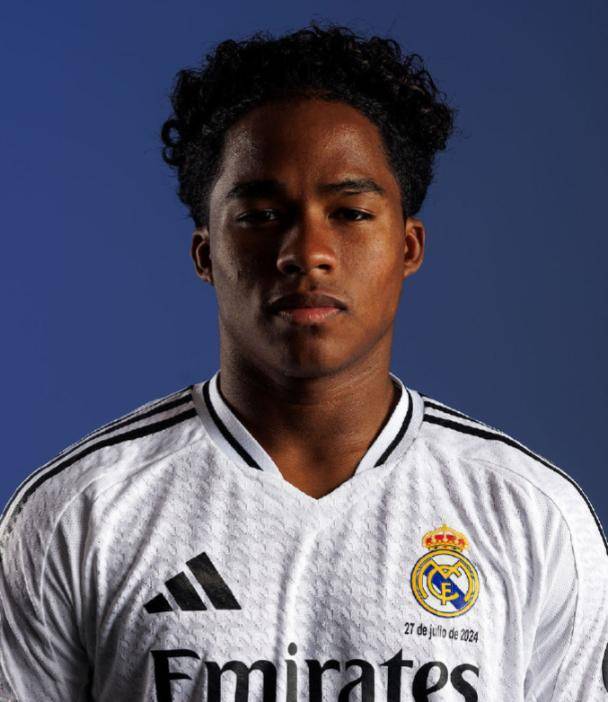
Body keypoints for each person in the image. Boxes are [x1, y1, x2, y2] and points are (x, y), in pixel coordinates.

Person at [0, 21, 606, 702]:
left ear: (408, 247)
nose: (306, 252)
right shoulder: (80, 514)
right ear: (205, 253)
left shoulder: (530, 514)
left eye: (349, 213)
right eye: (261, 215)